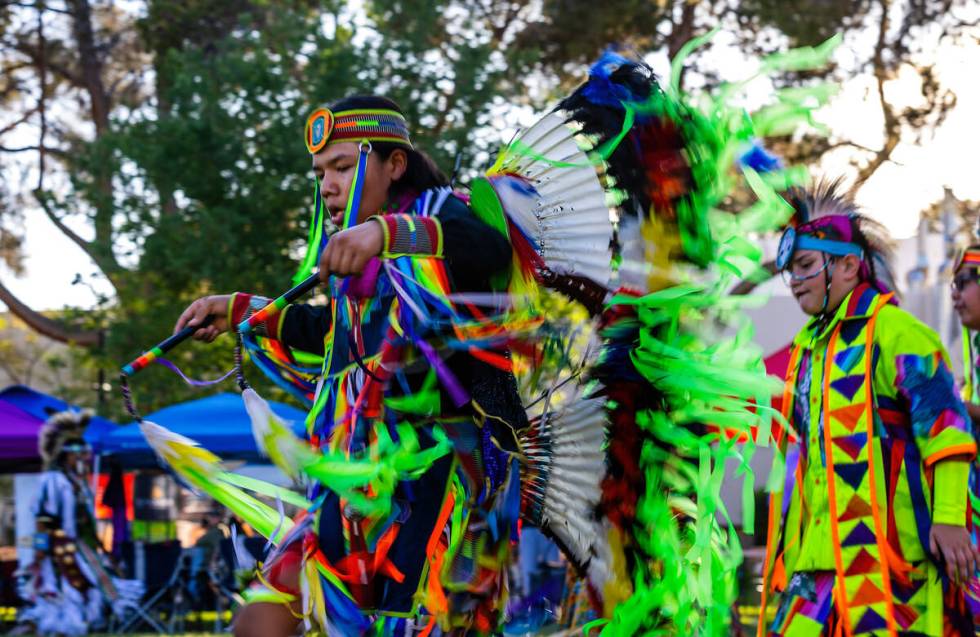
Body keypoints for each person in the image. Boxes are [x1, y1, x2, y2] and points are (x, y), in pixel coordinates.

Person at [173, 95, 526, 636]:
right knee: (261, 619)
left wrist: (386, 235)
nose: (329, 186)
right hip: (347, 474)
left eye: (343, 166)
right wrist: (244, 310)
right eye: (320, 173)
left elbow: (489, 250)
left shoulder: (438, 216)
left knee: (403, 625)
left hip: (434, 477)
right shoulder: (352, 263)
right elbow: (341, 339)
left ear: (395, 164)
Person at [758, 180, 979, 635]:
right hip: (815, 563)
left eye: (804, 265)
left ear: (847, 266)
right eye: (790, 269)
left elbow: (947, 429)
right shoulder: (807, 351)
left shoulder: (897, 332)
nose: (794, 280)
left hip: (890, 565)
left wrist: (951, 519)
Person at [13, 410, 143, 636]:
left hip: (80, 548)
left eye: (83, 454)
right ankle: (39, 627)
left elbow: (85, 524)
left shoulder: (78, 484)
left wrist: (103, 549)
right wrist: (40, 552)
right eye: (78, 454)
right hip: (58, 550)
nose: (83, 459)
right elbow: (43, 519)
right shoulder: (54, 481)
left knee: (86, 591)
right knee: (59, 596)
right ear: (65, 456)